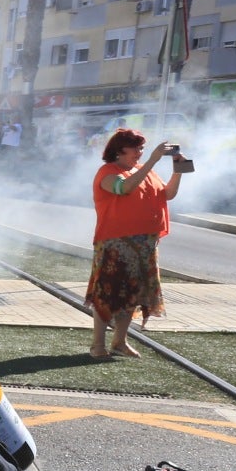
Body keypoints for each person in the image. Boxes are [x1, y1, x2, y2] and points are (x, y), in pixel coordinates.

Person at [87, 128, 184, 359]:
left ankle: (119, 342)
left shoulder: (143, 171)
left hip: (144, 243)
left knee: (133, 294)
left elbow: (167, 194)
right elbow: (124, 188)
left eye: (142, 148)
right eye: (136, 148)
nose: (140, 152)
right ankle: (97, 346)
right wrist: (153, 159)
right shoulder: (108, 172)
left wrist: (178, 169)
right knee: (107, 294)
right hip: (115, 243)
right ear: (120, 150)